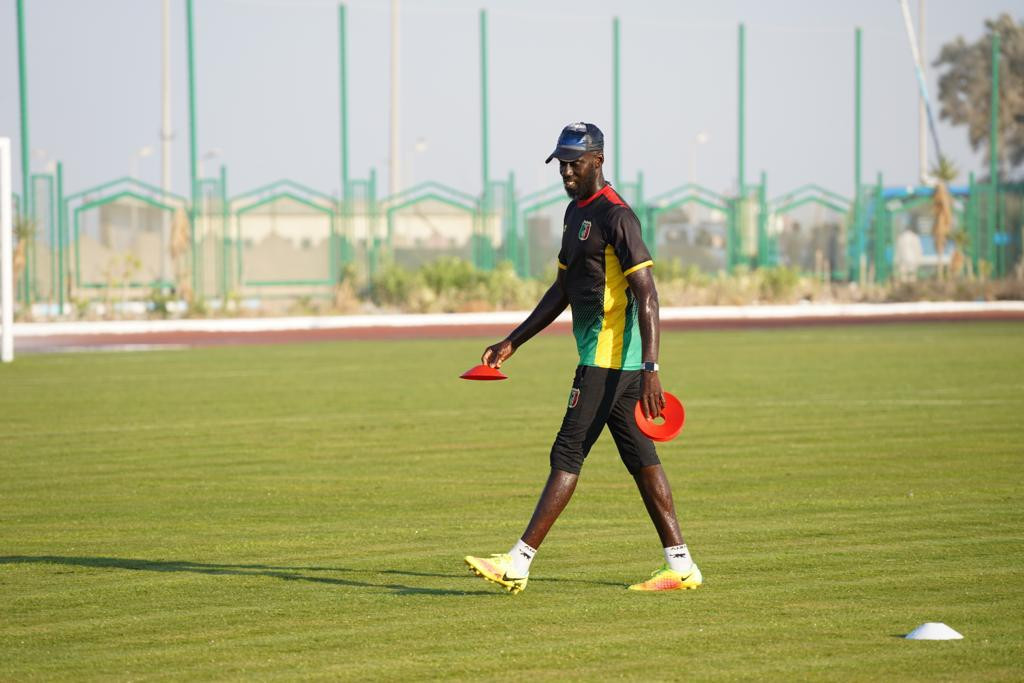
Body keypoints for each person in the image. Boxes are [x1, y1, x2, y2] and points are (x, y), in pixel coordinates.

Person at [464, 122, 702, 594]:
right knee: (642, 460)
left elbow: (649, 297)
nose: (567, 171)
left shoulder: (619, 217)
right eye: (562, 163)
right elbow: (563, 289)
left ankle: (518, 561)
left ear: (598, 161)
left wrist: (652, 368)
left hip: (611, 361)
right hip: (612, 362)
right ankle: (681, 565)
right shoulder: (575, 214)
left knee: (568, 453)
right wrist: (514, 340)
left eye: (575, 162)